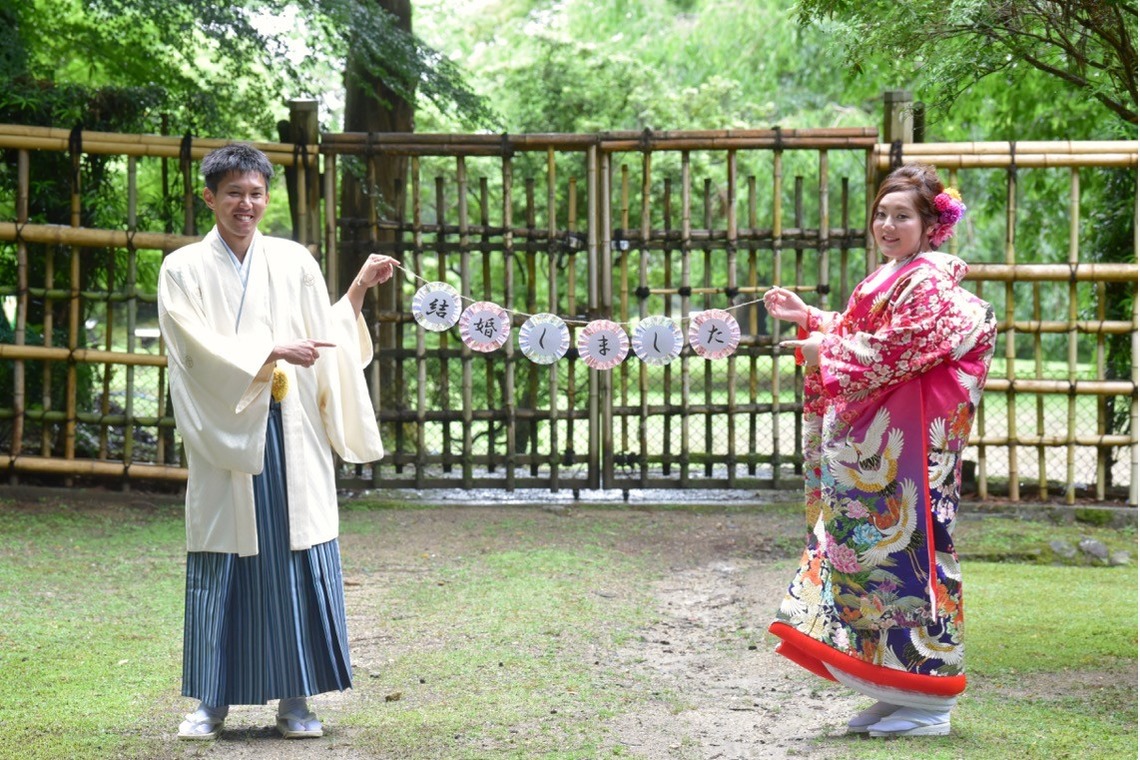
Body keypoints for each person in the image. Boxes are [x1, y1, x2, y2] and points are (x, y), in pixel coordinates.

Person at [157, 144, 396, 741]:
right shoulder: (182, 269)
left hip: (292, 433)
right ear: (208, 196)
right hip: (227, 431)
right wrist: (266, 354)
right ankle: (210, 704)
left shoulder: (293, 260)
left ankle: (296, 702)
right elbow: (190, 351)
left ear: (268, 197)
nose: (247, 204)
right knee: (224, 562)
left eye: (256, 193)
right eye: (234, 192)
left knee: (293, 561)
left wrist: (360, 292)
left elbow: (325, 337)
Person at [763, 163, 996, 737]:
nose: (888, 225)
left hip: (909, 450)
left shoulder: (929, 282)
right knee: (871, 561)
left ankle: (930, 699)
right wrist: (811, 319)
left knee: (914, 560)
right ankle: (895, 688)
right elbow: (864, 332)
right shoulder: (897, 274)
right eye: (882, 215)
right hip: (884, 447)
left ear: (930, 225)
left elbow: (897, 351)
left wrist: (826, 350)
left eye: (903, 216)